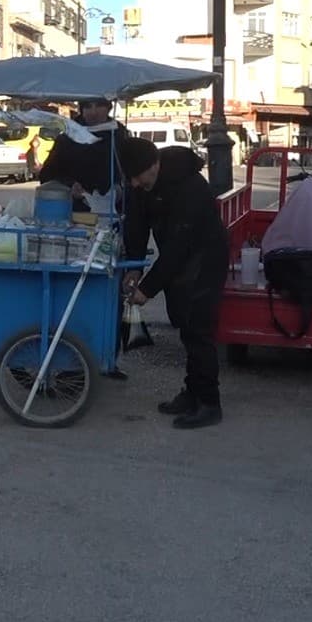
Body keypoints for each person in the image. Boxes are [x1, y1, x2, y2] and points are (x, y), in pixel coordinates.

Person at [119, 136, 230, 429]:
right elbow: (137, 222)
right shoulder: (143, 182)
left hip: (204, 258)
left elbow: (182, 243)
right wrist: (134, 265)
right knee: (185, 325)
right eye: (129, 178)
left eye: (138, 177)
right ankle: (192, 392)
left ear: (154, 165)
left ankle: (208, 403)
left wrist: (148, 288)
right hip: (179, 260)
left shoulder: (190, 186)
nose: (134, 184)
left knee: (198, 330)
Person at [37, 98, 129, 208]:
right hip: (76, 210)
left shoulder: (120, 134)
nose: (94, 112)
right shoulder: (68, 137)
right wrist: (70, 185)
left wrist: (120, 187)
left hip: (114, 209)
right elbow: (47, 175)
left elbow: (132, 170)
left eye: (99, 106)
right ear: (82, 109)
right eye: (88, 107)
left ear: (109, 108)